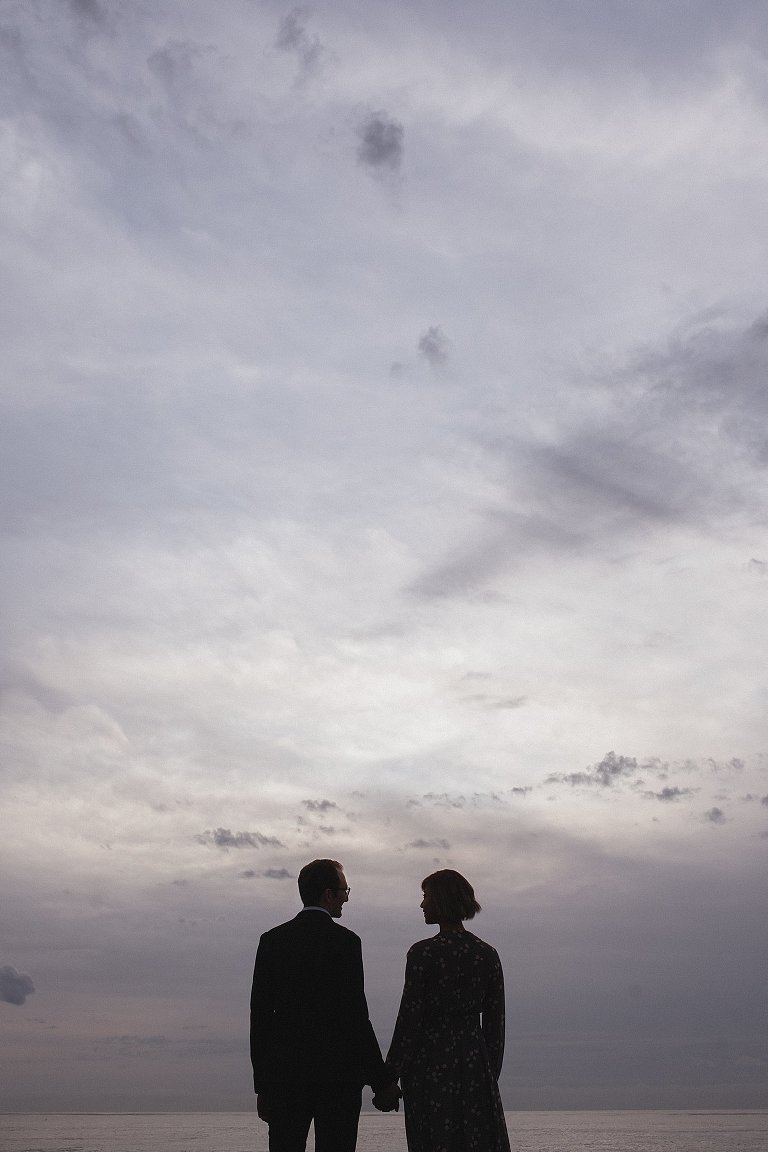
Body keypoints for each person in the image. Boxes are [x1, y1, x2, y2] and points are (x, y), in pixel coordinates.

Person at [250, 858, 400, 1152]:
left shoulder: (272, 941)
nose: (346, 898)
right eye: (344, 891)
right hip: (339, 1080)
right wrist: (381, 1081)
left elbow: (261, 1018)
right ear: (328, 895)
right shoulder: (345, 942)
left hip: (285, 1079)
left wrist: (263, 1086)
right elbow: (356, 1017)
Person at [377, 869, 511, 1152]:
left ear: (441, 901)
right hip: (475, 1063)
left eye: (426, 897)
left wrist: (388, 1077)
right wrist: (487, 1075)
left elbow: (409, 1020)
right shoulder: (486, 954)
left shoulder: (423, 954)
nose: (422, 904)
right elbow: (495, 1027)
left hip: (428, 1065)